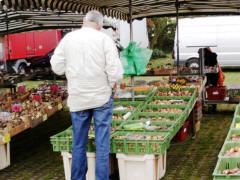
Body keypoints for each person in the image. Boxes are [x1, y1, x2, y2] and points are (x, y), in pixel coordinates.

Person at [50, 10, 123, 180]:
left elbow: (56, 66)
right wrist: (113, 84)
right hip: (101, 98)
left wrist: (72, 71)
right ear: (101, 25)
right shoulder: (105, 39)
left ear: (84, 20)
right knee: (102, 144)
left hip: (78, 98)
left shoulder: (68, 38)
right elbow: (115, 71)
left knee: (78, 143)